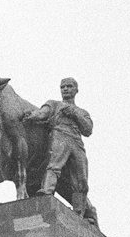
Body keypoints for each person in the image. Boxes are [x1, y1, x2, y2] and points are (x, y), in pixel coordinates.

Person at [25, 78, 99, 228]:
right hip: (60, 136)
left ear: (76, 90)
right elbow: (42, 114)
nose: (65, 89)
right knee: (54, 166)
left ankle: (79, 212)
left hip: (77, 142)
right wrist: (31, 115)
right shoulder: (53, 104)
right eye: (62, 87)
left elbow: (88, 130)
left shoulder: (82, 112)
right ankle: (47, 191)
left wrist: (74, 113)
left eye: (69, 86)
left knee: (81, 180)